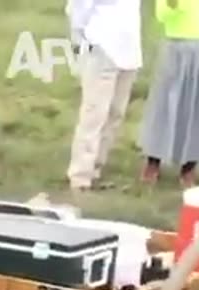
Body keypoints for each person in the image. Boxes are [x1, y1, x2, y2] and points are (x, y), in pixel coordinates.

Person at [138, 0, 199, 187]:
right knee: (166, 106)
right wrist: (173, 5)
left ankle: (189, 167)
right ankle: (153, 161)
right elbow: (162, 15)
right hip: (178, 47)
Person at [65, 0, 143, 191]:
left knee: (115, 113)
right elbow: (77, 9)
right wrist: (82, 39)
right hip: (102, 46)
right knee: (94, 113)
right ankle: (80, 176)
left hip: (129, 51)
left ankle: (96, 169)